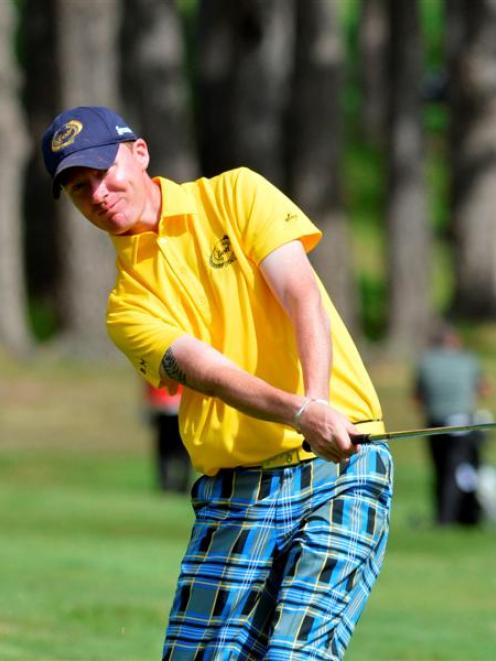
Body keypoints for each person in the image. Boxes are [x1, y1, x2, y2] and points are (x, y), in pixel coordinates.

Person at [42, 106, 393, 660]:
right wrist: (299, 413)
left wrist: (319, 403)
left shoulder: (235, 194)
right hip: (234, 495)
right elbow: (212, 374)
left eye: (103, 173)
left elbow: (300, 292)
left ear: (139, 153)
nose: (99, 194)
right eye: (80, 189)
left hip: (341, 467)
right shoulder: (125, 305)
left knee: (295, 654)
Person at [414, 323, 490, 526]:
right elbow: (483, 389)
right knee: (461, 470)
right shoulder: (467, 360)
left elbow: (418, 396)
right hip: (463, 423)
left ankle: (445, 514)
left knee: (441, 469)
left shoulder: (426, 361)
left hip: (435, 423)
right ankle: (460, 516)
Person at [144, 383, 190, 493]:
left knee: (181, 449)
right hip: (162, 406)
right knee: (166, 449)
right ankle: (167, 483)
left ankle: (181, 483)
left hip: (178, 405)